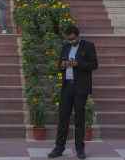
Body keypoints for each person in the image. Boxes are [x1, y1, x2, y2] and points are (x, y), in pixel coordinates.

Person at [48, 25, 98, 160]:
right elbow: (60, 65)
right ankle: (59, 147)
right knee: (63, 117)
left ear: (77, 35)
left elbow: (94, 65)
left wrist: (78, 63)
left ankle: (80, 149)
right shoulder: (65, 47)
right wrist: (62, 66)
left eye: (72, 39)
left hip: (80, 87)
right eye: (68, 39)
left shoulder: (88, 46)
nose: (70, 41)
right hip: (67, 87)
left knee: (79, 118)